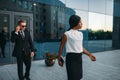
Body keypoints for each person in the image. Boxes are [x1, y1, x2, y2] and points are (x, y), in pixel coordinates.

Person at [58, 15, 96, 80]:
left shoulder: (80, 34)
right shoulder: (67, 34)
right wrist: (59, 58)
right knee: (72, 77)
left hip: (79, 58)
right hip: (71, 59)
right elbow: (61, 46)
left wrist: (90, 55)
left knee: (78, 77)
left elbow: (81, 48)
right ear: (75, 23)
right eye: (80, 22)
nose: (82, 23)